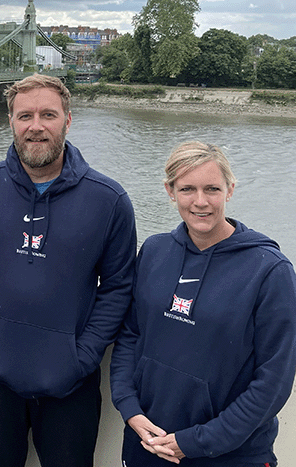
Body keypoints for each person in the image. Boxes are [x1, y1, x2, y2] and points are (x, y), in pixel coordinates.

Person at [0, 73, 137, 467]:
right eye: (25, 116)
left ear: (68, 121)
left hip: (71, 382)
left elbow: (118, 287)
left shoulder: (109, 200)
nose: (36, 126)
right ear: (11, 122)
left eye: (48, 115)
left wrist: (84, 355)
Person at [110, 141, 296, 466]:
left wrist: (198, 441)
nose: (200, 202)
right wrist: (129, 408)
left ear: (230, 189)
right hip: (148, 442)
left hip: (231, 454)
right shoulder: (153, 252)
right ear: (170, 191)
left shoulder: (270, 271)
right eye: (187, 189)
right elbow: (130, 335)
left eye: (212, 188)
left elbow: (274, 380)